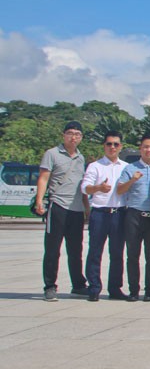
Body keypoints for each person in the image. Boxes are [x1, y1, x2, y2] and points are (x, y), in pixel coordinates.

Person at [37, 121, 89, 301]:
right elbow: (43, 178)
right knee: (52, 249)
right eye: (70, 133)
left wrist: (86, 209)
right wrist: (39, 201)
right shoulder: (52, 154)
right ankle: (50, 286)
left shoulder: (81, 158)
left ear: (81, 137)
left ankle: (79, 284)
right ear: (63, 135)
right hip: (57, 205)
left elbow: (81, 187)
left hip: (76, 209)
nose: (73, 137)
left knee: (76, 249)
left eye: (77, 134)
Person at [81, 131, 128, 301]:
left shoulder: (125, 167)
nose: (112, 147)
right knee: (95, 251)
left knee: (117, 252)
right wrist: (98, 188)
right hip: (100, 213)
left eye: (116, 144)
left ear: (121, 147)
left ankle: (115, 288)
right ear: (104, 146)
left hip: (119, 213)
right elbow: (85, 188)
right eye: (109, 144)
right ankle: (94, 287)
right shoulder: (95, 166)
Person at [118, 134, 150, 301]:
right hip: (134, 215)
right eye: (145, 147)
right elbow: (120, 190)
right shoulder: (130, 168)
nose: (148, 150)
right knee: (132, 254)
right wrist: (132, 180)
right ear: (140, 149)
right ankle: (133, 291)